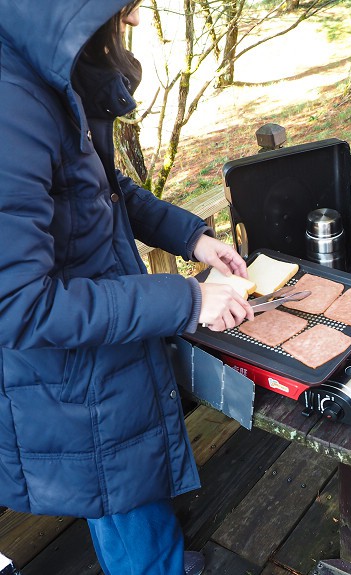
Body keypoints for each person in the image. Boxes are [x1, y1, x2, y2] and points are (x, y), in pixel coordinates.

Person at [0, 2, 254, 574]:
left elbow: (105, 193)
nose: (136, 21)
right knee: (122, 502)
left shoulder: (49, 71)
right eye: (126, 6)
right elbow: (19, 306)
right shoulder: (11, 103)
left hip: (105, 348)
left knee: (134, 493)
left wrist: (191, 238)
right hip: (68, 379)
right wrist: (186, 299)